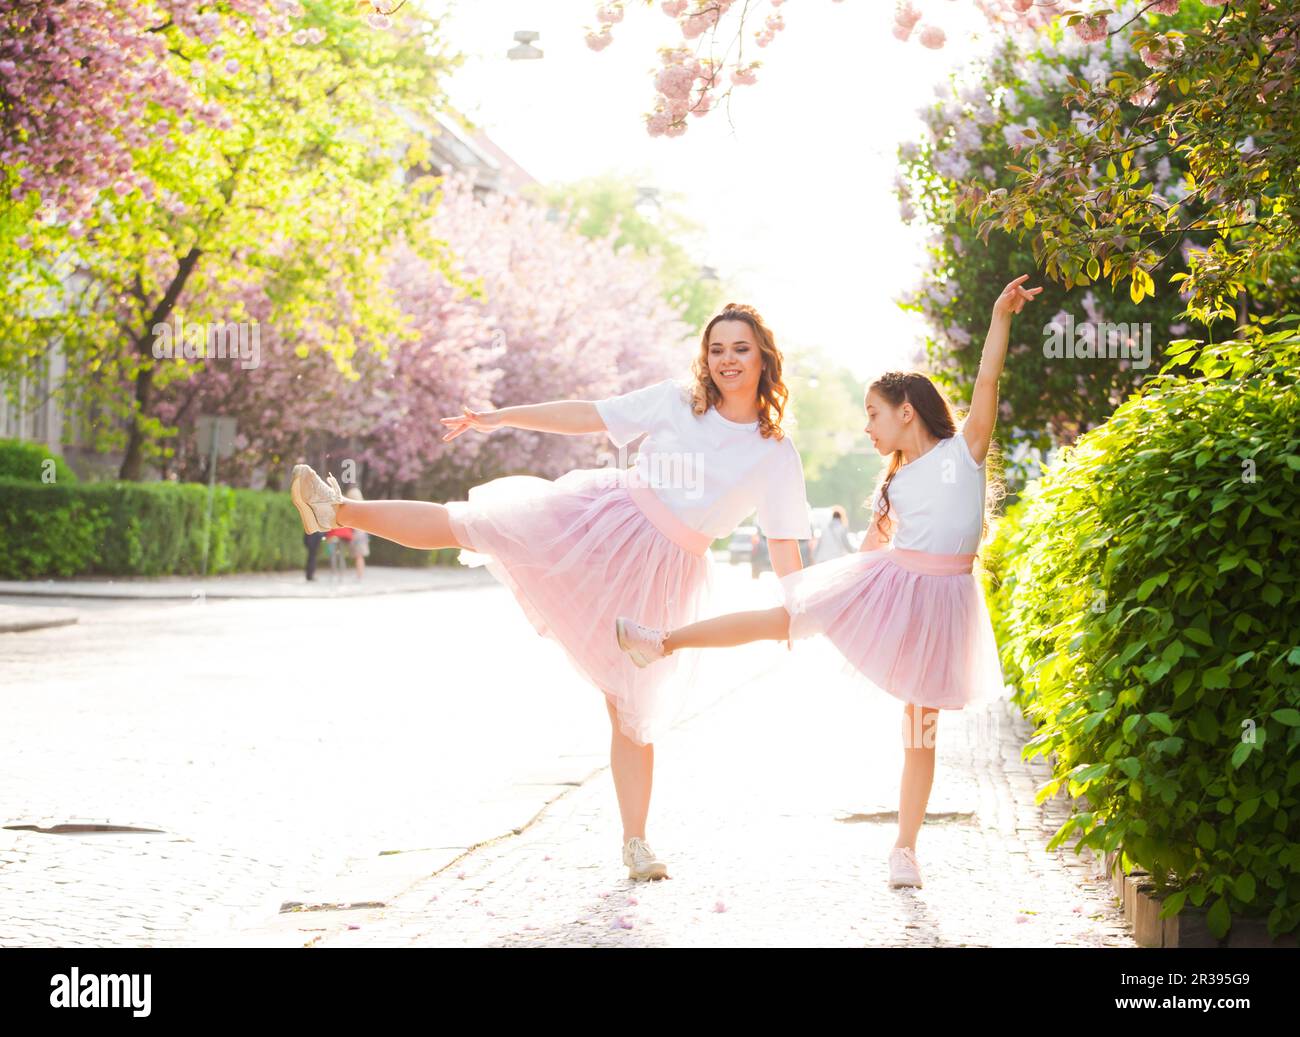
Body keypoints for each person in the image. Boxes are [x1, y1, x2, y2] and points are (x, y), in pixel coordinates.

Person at [288, 303, 811, 881]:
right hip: (604, 519)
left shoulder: (774, 450)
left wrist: (798, 608)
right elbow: (588, 415)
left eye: (740, 349)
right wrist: (503, 416)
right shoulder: (674, 400)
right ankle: (335, 508)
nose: (727, 361)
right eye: (716, 350)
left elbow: (784, 541)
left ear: (763, 355)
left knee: (630, 710)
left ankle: (635, 843)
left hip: (664, 571)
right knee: (471, 523)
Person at [615, 275, 1041, 889]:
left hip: (942, 607)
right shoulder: (894, 483)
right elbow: (873, 547)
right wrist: (828, 592)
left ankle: (905, 850)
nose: (867, 428)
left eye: (873, 415)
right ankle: (662, 640)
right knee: (786, 614)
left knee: (920, 731)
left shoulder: (964, 453)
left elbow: (986, 383)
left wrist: (1000, 316)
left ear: (906, 410)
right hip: (890, 584)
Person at [343, 487, 370, 580]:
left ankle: (359, 576)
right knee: (360, 556)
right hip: (363, 535)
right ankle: (360, 575)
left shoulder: (352, 508)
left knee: (358, 557)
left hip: (356, 535)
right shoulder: (364, 506)